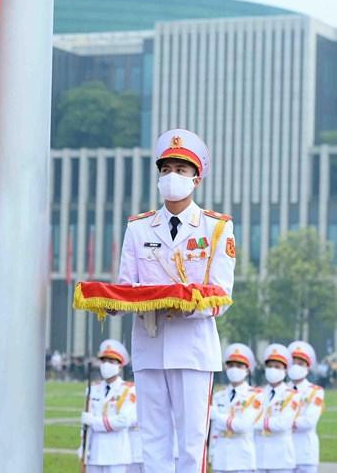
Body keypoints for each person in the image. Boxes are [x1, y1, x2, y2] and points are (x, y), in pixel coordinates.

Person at [116, 128, 235, 472]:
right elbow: (127, 286)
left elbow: (221, 296)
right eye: (166, 170)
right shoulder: (138, 228)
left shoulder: (215, 228)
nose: (172, 177)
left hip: (193, 348)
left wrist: (184, 303)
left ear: (196, 179)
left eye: (181, 171)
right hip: (150, 345)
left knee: (191, 442)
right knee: (152, 439)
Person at [79, 340, 136, 473]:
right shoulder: (92, 389)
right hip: (93, 453)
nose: (106, 365)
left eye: (111, 361)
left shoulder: (128, 390)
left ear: (120, 366)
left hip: (116, 454)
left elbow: (123, 421)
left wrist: (94, 422)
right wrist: (83, 447)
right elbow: (85, 425)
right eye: (104, 361)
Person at [209, 343, 261, 473]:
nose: (234, 369)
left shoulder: (255, 395)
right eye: (231, 365)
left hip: (242, 459)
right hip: (221, 458)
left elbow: (243, 425)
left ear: (247, 370)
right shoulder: (218, 395)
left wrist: (218, 417)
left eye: (239, 366)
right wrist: (211, 454)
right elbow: (214, 431)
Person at [254, 343, 300, 473]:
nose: (272, 369)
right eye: (269, 366)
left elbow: (283, 424)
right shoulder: (256, 393)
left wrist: (256, 422)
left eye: (277, 367)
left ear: (285, 371)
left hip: (281, 458)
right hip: (259, 456)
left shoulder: (292, 395)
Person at [286, 341, 325, 473]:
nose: (296, 367)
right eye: (293, 363)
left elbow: (308, 421)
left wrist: (281, 423)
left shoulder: (315, 391)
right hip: (283, 453)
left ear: (308, 368)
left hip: (306, 453)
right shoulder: (282, 390)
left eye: (300, 364)